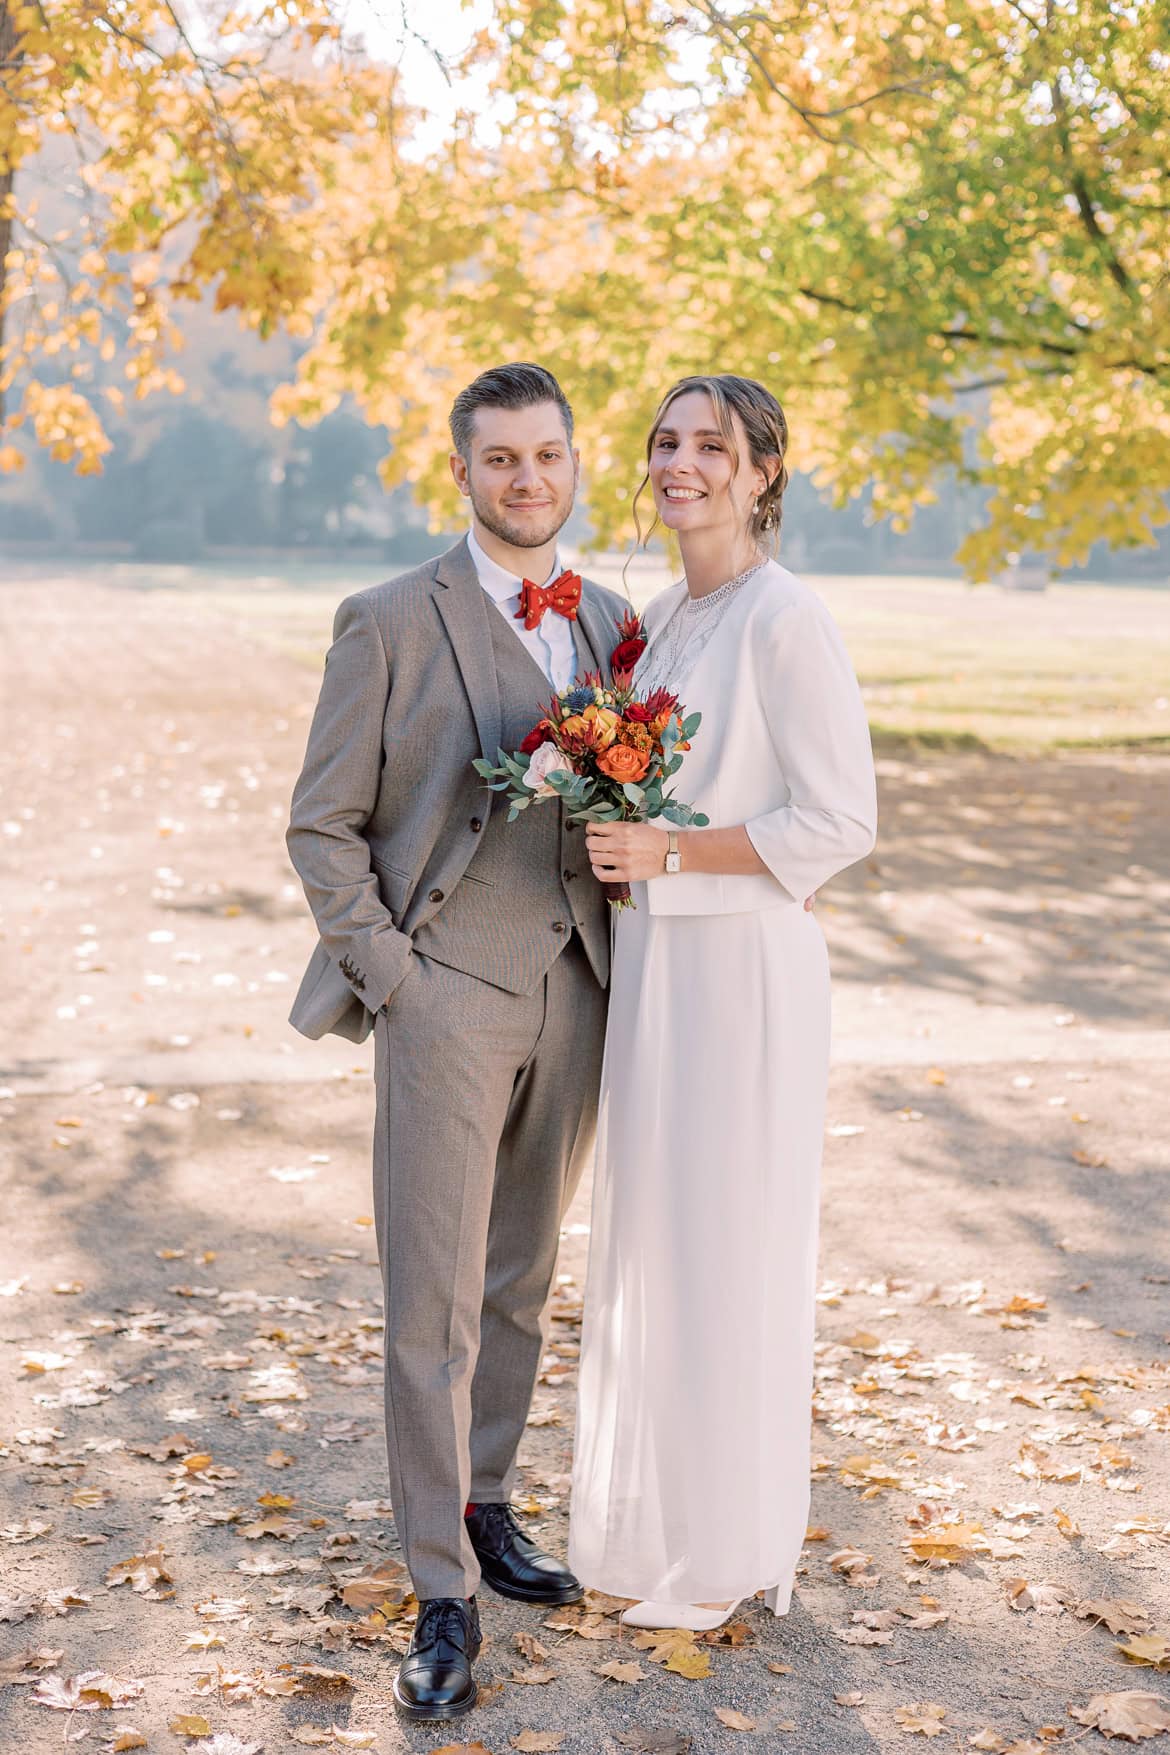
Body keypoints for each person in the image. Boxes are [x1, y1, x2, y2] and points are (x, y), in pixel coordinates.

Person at [285, 363, 629, 1722]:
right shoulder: (384, 620)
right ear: (463, 471)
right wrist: (395, 977)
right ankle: (438, 1583)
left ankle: (487, 1499)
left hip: (581, 991)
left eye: (546, 455)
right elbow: (321, 821)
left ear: (570, 463)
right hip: (443, 994)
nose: (526, 480)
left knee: (517, 1277)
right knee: (427, 1293)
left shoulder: (611, 621)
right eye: (500, 460)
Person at [571, 373, 878, 1631]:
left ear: (763, 474)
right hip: (658, 970)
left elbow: (841, 820)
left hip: (744, 970)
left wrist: (673, 857)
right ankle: (658, 1523)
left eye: (714, 445)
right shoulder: (657, 621)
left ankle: (731, 1540)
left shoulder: (781, 620)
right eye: (666, 440)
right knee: (658, 1238)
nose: (681, 462)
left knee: (728, 1243)